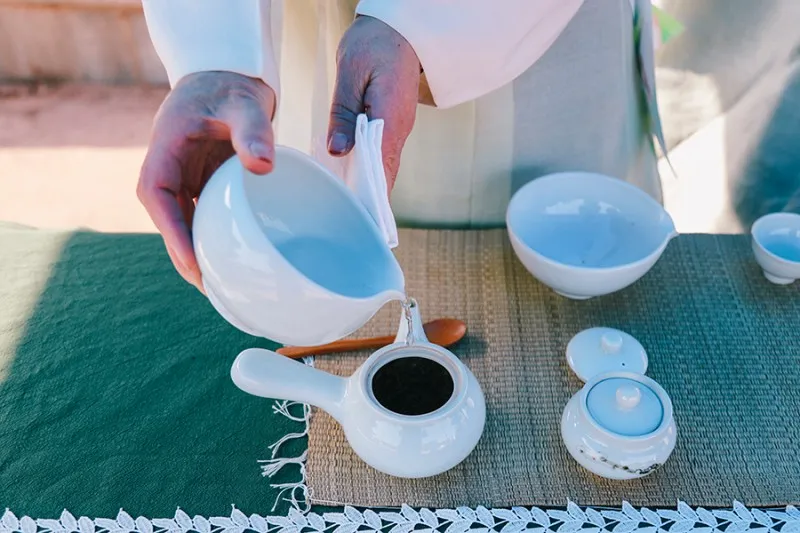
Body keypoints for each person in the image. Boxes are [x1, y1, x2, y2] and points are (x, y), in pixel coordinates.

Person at [138, 0, 666, 292]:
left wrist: (420, 19)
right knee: (314, 236)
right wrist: (219, 54)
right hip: (297, 38)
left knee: (573, 254)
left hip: (530, 35)